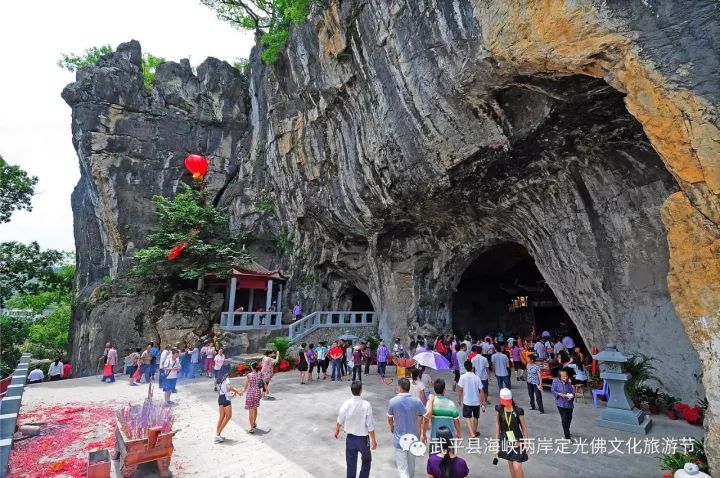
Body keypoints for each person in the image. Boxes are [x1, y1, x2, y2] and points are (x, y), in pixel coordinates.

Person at [335, 381, 377, 478]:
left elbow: (340, 419)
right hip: (363, 439)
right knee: (366, 461)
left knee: (351, 464)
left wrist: (337, 430)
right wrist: (373, 440)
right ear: (361, 391)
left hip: (350, 439)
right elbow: (370, 425)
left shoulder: (346, 404)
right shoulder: (366, 405)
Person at [387, 377, 426, 478]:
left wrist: (392, 427)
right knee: (411, 466)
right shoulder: (417, 402)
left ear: (399, 387)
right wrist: (422, 432)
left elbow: (390, 418)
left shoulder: (393, 401)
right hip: (413, 438)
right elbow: (425, 415)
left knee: (402, 468)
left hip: (399, 439)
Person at [495, 388, 529, 478]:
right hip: (505, 439)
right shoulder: (500, 409)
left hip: (518, 440)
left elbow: (524, 428)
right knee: (510, 463)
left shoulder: (518, 411)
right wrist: (496, 441)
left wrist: (526, 442)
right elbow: (498, 426)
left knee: (517, 466)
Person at [215, 371, 243, 443]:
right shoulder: (226, 378)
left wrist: (229, 393)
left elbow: (218, 389)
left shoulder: (218, 379)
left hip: (220, 398)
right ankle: (218, 434)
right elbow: (229, 387)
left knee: (221, 417)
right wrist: (237, 391)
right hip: (225, 399)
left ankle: (218, 435)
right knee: (228, 416)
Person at [457, 360, 483, 438]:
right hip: (476, 401)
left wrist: (459, 398)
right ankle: (474, 432)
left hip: (467, 401)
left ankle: (472, 433)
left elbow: (460, 389)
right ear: (472, 367)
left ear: (465, 368)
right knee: (476, 417)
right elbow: (481, 390)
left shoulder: (462, 377)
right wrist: (483, 401)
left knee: (468, 417)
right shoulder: (477, 377)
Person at [237, 362, 264, 433]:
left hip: (250, 393)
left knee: (250, 411)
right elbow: (262, 383)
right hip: (257, 392)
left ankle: (251, 428)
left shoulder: (249, 375)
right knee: (255, 408)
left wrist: (241, 391)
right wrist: (264, 391)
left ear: (252, 367)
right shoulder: (260, 374)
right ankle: (254, 422)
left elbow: (245, 387)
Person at [551, 369, 575, 439]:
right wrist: (560, 394)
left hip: (569, 404)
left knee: (569, 418)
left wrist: (572, 396)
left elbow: (573, 393)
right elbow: (553, 390)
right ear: (560, 377)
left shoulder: (569, 384)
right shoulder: (556, 382)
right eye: (563, 376)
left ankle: (567, 429)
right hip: (561, 404)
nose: (565, 378)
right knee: (564, 419)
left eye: (566, 376)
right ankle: (567, 436)